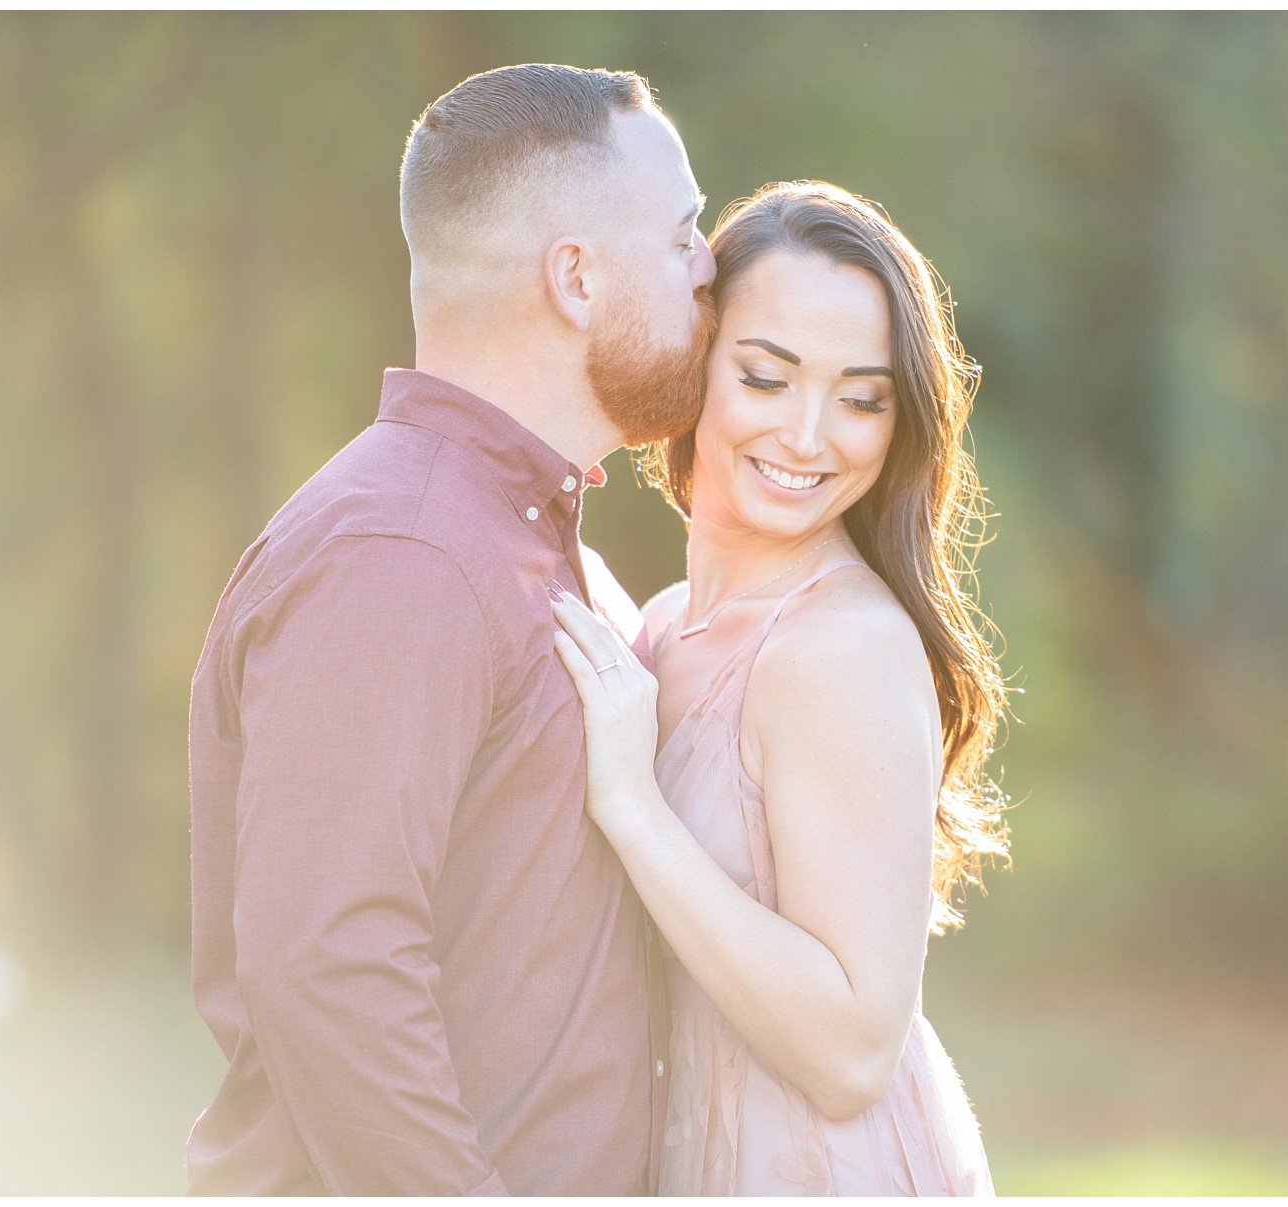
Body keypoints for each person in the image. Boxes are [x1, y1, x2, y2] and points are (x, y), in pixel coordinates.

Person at [186, 64, 717, 1194]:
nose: (710, 267)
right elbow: (329, 967)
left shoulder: (541, 546)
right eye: (683, 236)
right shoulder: (404, 558)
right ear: (575, 277)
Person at [549, 181, 1008, 1196]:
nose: (809, 436)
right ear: (695, 362)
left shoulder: (839, 646)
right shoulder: (668, 625)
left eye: (860, 398)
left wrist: (633, 807)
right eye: (767, 377)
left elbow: (853, 1054)